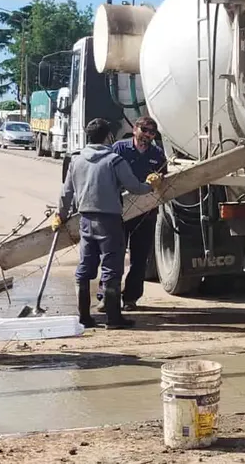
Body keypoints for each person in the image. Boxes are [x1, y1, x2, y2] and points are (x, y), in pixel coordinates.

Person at [55, 118, 163, 330]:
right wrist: (150, 185)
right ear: (108, 137)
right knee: (112, 268)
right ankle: (114, 318)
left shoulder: (76, 160)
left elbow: (66, 193)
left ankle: (84, 317)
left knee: (85, 267)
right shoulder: (114, 160)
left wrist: (60, 215)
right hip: (109, 221)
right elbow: (135, 187)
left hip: (85, 220)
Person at [108, 117, 167, 311]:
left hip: (145, 213)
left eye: (152, 132)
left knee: (140, 258)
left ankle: (131, 298)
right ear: (135, 129)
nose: (148, 135)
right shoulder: (119, 149)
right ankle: (108, 296)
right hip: (120, 211)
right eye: (145, 130)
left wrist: (158, 180)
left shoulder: (157, 154)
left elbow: (164, 180)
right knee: (114, 256)